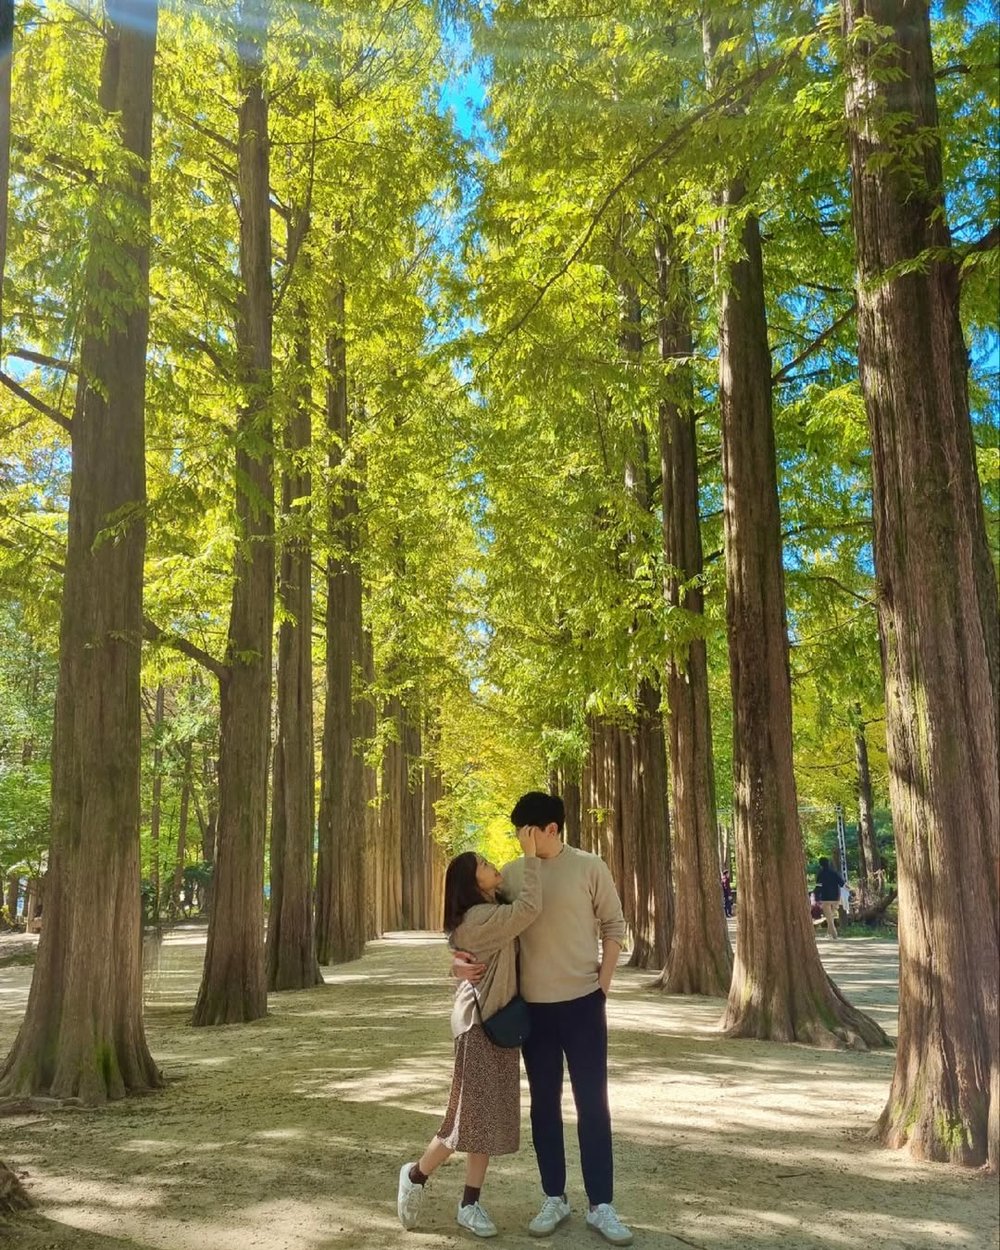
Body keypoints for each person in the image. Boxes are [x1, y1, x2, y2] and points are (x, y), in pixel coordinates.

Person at [454, 791, 633, 1247]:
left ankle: (602, 1204)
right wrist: (455, 963)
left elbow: (614, 927)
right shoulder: (514, 876)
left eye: (525, 831)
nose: (519, 839)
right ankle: (554, 1195)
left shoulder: (590, 866)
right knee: (545, 1106)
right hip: (533, 1011)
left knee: (594, 1102)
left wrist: (603, 989)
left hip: (583, 1003)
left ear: (549, 829)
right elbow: (474, 925)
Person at [397, 824, 542, 1239]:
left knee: (487, 1121)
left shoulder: (487, 911)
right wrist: (530, 855)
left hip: (497, 1024)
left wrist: (452, 962)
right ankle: (416, 1175)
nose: (490, 863)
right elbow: (528, 910)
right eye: (480, 864)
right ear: (469, 883)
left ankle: (470, 1204)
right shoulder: (481, 917)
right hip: (479, 1027)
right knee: (467, 1120)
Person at [815, 856, 845, 940]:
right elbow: (842, 883)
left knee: (829, 918)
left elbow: (818, 887)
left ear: (820, 864)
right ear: (828, 863)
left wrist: (817, 898)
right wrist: (850, 889)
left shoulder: (820, 873)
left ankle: (834, 935)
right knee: (830, 917)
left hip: (825, 898)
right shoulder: (834, 872)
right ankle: (829, 934)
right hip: (835, 898)